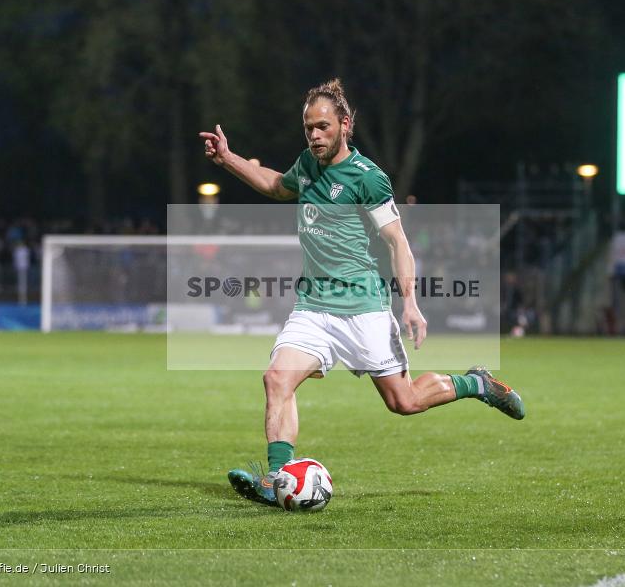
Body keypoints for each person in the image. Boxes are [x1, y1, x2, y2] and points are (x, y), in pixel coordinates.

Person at [200, 78, 525, 506]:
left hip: (363, 309)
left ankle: (476, 383)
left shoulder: (368, 179)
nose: (315, 135)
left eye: (323, 126)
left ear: (345, 125)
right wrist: (228, 159)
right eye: (309, 128)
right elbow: (276, 185)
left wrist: (410, 303)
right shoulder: (308, 164)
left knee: (404, 401)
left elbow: (398, 242)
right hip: (314, 307)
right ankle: (277, 478)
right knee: (276, 379)